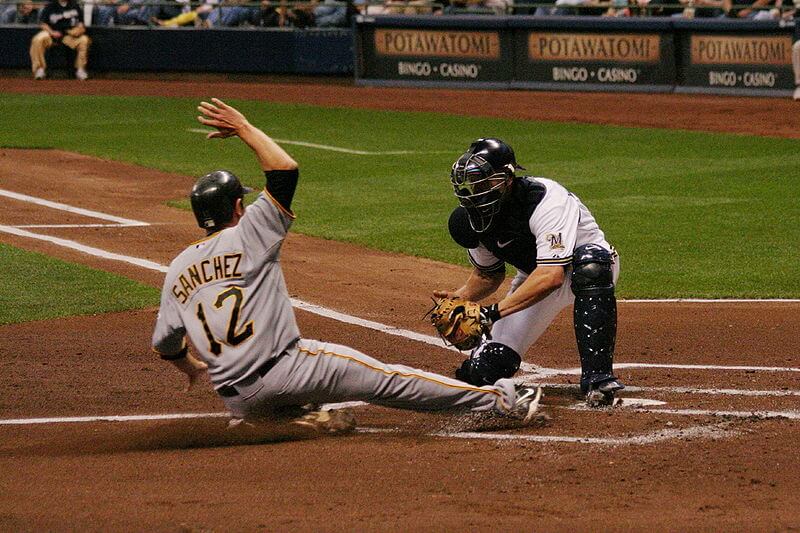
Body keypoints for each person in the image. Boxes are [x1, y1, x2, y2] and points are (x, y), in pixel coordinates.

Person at [151, 99, 542, 434]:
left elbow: (166, 344)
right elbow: (284, 169)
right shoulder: (250, 232)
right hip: (290, 370)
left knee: (278, 408)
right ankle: (500, 401)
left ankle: (295, 419)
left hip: (238, 401)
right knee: (386, 379)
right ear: (239, 207)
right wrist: (243, 127)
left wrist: (190, 367)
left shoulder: (178, 269)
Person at [434, 138, 624, 407]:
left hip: (583, 270)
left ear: (508, 178)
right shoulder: (472, 220)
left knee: (590, 264)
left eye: (485, 181)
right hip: (535, 277)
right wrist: (460, 297)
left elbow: (552, 276)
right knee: (484, 371)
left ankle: (599, 380)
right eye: (473, 182)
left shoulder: (545, 199)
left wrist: (491, 313)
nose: (476, 189)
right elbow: (488, 275)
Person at [29, 0, 90, 80]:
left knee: (84, 40)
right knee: (38, 39)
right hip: (52, 35)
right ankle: (40, 69)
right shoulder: (50, 6)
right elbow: (43, 24)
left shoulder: (75, 6)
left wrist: (79, 30)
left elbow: (81, 23)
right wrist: (52, 32)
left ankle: (80, 69)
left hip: (69, 35)